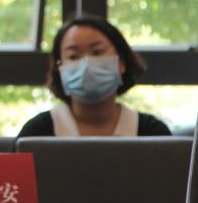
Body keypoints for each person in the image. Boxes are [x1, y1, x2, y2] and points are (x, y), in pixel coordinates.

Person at [17, 16, 171, 137]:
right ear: (60, 69)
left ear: (121, 62)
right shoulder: (37, 132)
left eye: (97, 52)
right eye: (73, 56)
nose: (86, 65)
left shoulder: (152, 132)